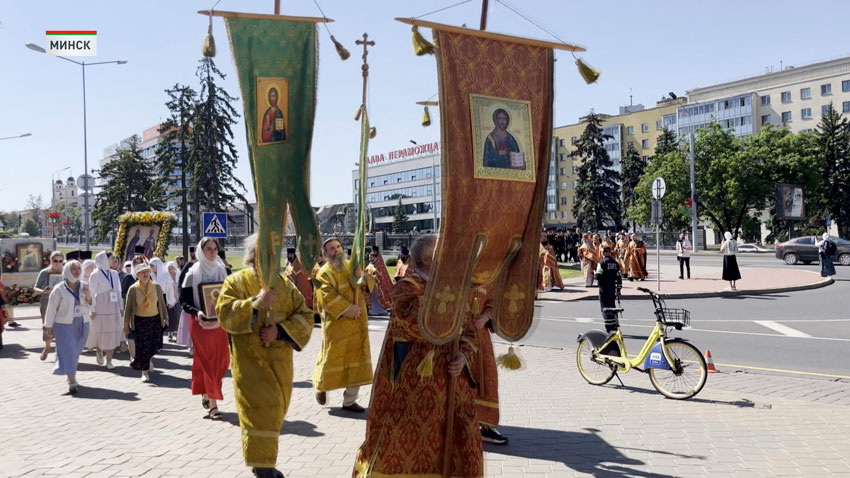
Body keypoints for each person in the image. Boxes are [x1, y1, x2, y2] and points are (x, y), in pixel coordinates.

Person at [353, 234, 483, 477]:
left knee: (460, 440)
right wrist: (449, 302)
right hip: (414, 385)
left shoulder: (451, 286)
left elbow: (468, 331)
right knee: (410, 447)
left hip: (453, 382)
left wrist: (464, 356)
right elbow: (412, 325)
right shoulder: (406, 288)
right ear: (426, 258)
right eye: (440, 251)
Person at [216, 233, 313, 478]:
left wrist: (279, 331)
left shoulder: (285, 285)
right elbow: (224, 313)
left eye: (274, 253)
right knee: (257, 416)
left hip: (280, 367)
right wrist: (254, 303)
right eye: (265, 253)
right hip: (250, 367)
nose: (271, 258)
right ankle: (264, 468)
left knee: (274, 415)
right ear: (254, 255)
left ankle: (264, 464)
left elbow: (305, 315)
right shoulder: (236, 282)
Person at [313, 238, 374, 412]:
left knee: (358, 359)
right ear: (325, 254)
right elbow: (326, 297)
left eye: (338, 247)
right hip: (337, 325)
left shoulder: (352, 266)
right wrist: (348, 309)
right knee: (331, 358)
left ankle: (349, 401)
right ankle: (321, 386)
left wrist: (362, 276)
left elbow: (368, 284)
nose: (337, 251)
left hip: (358, 324)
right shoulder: (324, 273)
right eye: (332, 249)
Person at [180, 237, 230, 421]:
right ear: (201, 250)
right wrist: (198, 312)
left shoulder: (221, 271)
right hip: (200, 323)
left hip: (219, 324)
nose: (212, 252)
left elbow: (228, 296)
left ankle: (207, 393)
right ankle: (214, 405)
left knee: (223, 361)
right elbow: (184, 301)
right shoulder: (192, 273)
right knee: (209, 361)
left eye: (215, 249)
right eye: (208, 249)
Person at [44, 260, 92, 394]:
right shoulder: (59, 289)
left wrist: (88, 295)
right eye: (73, 269)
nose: (76, 271)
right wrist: (48, 326)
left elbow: (91, 304)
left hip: (83, 323)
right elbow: (51, 308)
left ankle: (70, 374)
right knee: (69, 351)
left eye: (78, 268)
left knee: (76, 351)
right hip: (64, 325)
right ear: (66, 271)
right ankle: (72, 380)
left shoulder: (85, 286)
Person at [123, 262, 168, 382]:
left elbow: (162, 304)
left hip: (155, 320)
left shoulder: (156, 286)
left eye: (147, 271)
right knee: (143, 346)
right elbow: (128, 308)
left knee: (155, 345)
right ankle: (144, 372)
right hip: (139, 321)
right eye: (143, 272)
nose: (146, 274)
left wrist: (166, 317)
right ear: (137, 275)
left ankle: (147, 359)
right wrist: (126, 324)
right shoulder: (133, 289)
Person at [87, 252, 124, 369]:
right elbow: (91, 293)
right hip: (100, 307)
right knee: (101, 333)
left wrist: (121, 307)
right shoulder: (95, 274)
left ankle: (109, 360)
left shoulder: (114, 274)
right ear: (103, 260)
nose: (113, 261)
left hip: (113, 307)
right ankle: (99, 349)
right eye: (111, 258)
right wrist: (92, 309)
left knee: (112, 334)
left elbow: (118, 291)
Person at [34, 250, 65, 361]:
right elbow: (35, 289)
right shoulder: (44, 272)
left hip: (63, 302)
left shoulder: (66, 272)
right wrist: (44, 291)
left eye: (60, 261)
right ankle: (47, 348)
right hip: (47, 301)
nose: (58, 263)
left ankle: (60, 352)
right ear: (51, 261)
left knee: (62, 325)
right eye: (55, 260)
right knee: (48, 325)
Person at [595, 246, 623, 333]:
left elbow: (598, 276)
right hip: (612, 289)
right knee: (612, 307)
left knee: (605, 308)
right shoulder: (615, 263)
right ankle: (615, 325)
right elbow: (619, 277)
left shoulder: (601, 263)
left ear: (603, 253)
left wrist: (595, 274)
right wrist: (618, 290)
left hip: (603, 289)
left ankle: (609, 328)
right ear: (610, 253)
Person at [177, 247, 198, 355]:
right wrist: (184, 300)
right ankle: (192, 347)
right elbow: (181, 283)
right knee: (192, 326)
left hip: (206, 302)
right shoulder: (190, 265)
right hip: (192, 301)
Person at [283, 247, 313, 313]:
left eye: (291, 254)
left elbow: (302, 285)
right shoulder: (290, 265)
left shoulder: (298, 268)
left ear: (294, 255)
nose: (289, 256)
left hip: (298, 297)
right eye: (288, 254)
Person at [366, 245, 393, 315]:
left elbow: (380, 272)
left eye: (373, 251)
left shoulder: (378, 261)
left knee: (377, 296)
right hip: (372, 281)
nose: (370, 258)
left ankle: (376, 309)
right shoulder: (374, 262)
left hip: (377, 282)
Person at [165, 261, 181, 341]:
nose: (170, 270)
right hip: (169, 300)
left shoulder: (179, 275)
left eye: (172, 268)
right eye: (169, 268)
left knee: (178, 317)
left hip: (178, 300)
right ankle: (170, 333)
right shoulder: (166, 276)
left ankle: (178, 334)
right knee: (170, 317)